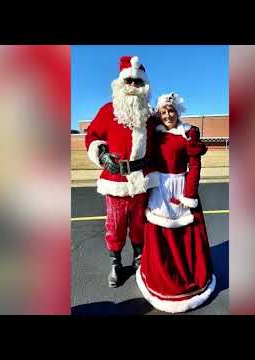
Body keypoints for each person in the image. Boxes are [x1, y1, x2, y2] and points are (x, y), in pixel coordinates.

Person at [136, 93, 216, 313]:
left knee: (186, 236)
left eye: (170, 110)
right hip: (158, 189)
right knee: (160, 236)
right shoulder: (155, 133)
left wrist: (189, 194)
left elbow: (195, 166)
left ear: (178, 111)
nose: (167, 115)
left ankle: (187, 277)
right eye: (163, 112)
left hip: (181, 189)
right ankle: (162, 277)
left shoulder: (189, 133)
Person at [85, 56, 159, 288]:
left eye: (138, 82)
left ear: (144, 86)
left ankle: (139, 260)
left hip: (141, 181)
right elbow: (92, 136)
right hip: (115, 180)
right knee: (115, 227)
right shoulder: (108, 111)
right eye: (129, 81)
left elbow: (164, 141)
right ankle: (116, 264)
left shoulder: (149, 115)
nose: (133, 87)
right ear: (120, 83)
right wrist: (102, 154)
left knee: (139, 226)